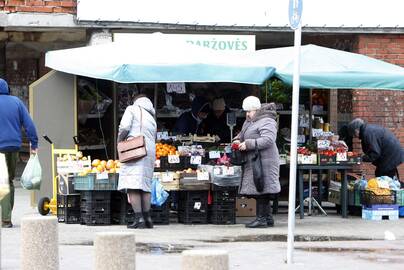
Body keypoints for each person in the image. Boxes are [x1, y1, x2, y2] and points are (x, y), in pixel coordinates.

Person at [233, 96, 280, 228]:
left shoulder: (267, 121)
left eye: (249, 111)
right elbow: (242, 134)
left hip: (266, 161)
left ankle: (261, 219)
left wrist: (248, 144)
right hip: (255, 160)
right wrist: (237, 140)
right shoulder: (249, 121)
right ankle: (268, 218)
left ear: (257, 110)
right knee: (259, 188)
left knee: (262, 189)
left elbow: (268, 139)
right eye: (246, 111)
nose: (247, 114)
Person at [0, 78, 38, 228]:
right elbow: (29, 124)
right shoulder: (16, 102)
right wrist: (33, 143)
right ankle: (6, 218)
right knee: (8, 181)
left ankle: (6, 218)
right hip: (13, 147)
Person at [117, 94, 157, 229]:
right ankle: (147, 218)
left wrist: (120, 141)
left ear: (135, 101)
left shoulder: (132, 109)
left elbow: (124, 127)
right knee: (145, 185)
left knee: (133, 185)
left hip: (135, 149)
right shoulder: (151, 116)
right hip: (149, 151)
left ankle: (139, 218)